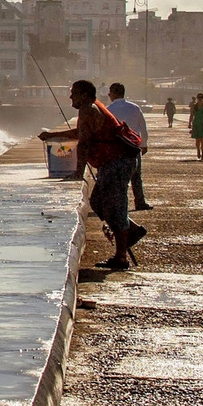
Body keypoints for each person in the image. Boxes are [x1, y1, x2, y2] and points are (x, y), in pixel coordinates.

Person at [38, 80, 145, 270]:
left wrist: (78, 172)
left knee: (115, 206)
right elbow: (82, 132)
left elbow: (84, 143)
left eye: (74, 93)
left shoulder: (88, 109)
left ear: (85, 95)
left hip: (118, 162)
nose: (71, 97)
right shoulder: (92, 108)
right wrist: (53, 135)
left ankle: (121, 258)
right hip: (113, 162)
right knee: (98, 202)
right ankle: (132, 230)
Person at [107, 83, 152, 211]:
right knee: (136, 176)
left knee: (118, 178)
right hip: (133, 146)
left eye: (109, 94)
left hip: (116, 148)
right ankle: (140, 202)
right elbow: (143, 128)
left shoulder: (108, 110)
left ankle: (117, 204)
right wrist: (144, 144)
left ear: (113, 94)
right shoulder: (135, 108)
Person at [188, 92, 203, 161]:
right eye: (199, 97)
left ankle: (202, 154)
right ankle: (198, 149)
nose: (200, 99)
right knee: (197, 140)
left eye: (201, 97)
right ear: (197, 98)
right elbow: (191, 115)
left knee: (202, 140)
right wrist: (189, 123)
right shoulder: (194, 106)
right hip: (196, 123)